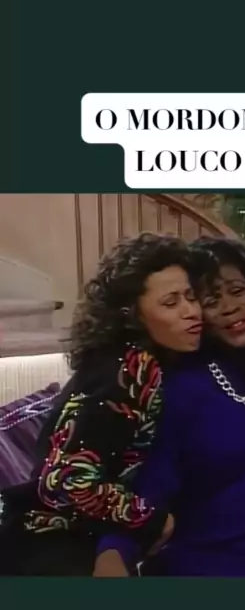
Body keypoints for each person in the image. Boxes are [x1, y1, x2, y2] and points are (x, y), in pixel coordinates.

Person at [96, 237, 245, 577]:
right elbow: (151, 486)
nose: (229, 307)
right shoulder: (179, 387)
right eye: (212, 300)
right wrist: (112, 553)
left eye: (237, 291)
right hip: (207, 566)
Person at [0, 233, 205, 575]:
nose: (191, 312)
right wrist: (153, 519)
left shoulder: (129, 358)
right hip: (47, 540)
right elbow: (69, 479)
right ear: (132, 315)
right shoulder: (135, 368)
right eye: (171, 303)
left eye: (191, 297)